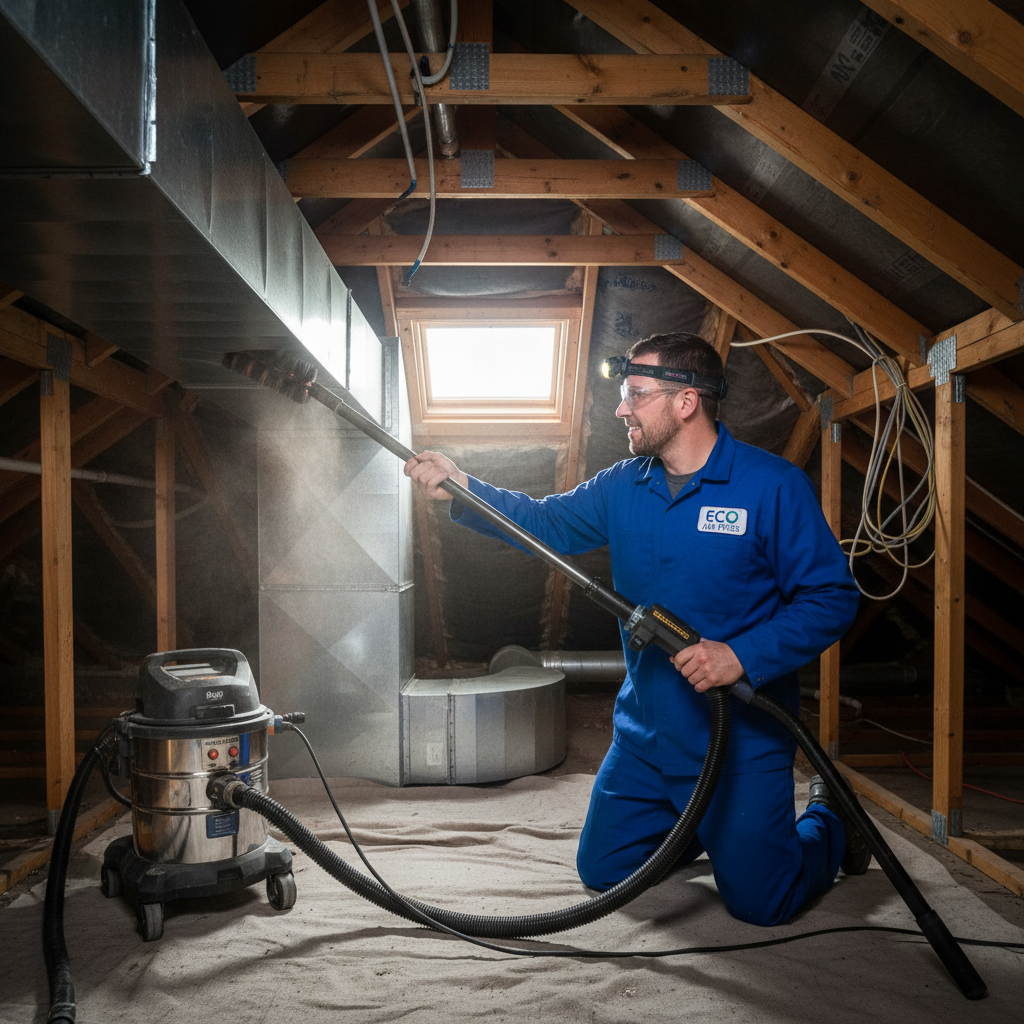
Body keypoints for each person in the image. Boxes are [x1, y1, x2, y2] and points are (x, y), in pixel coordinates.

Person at [404, 332, 862, 927]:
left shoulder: (771, 487)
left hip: (738, 742)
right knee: (606, 868)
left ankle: (829, 819)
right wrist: (464, 486)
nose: (621, 409)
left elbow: (831, 597)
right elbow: (546, 522)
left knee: (764, 903)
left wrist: (741, 655)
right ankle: (698, 827)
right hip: (647, 734)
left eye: (636, 395)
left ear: (686, 401)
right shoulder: (626, 483)